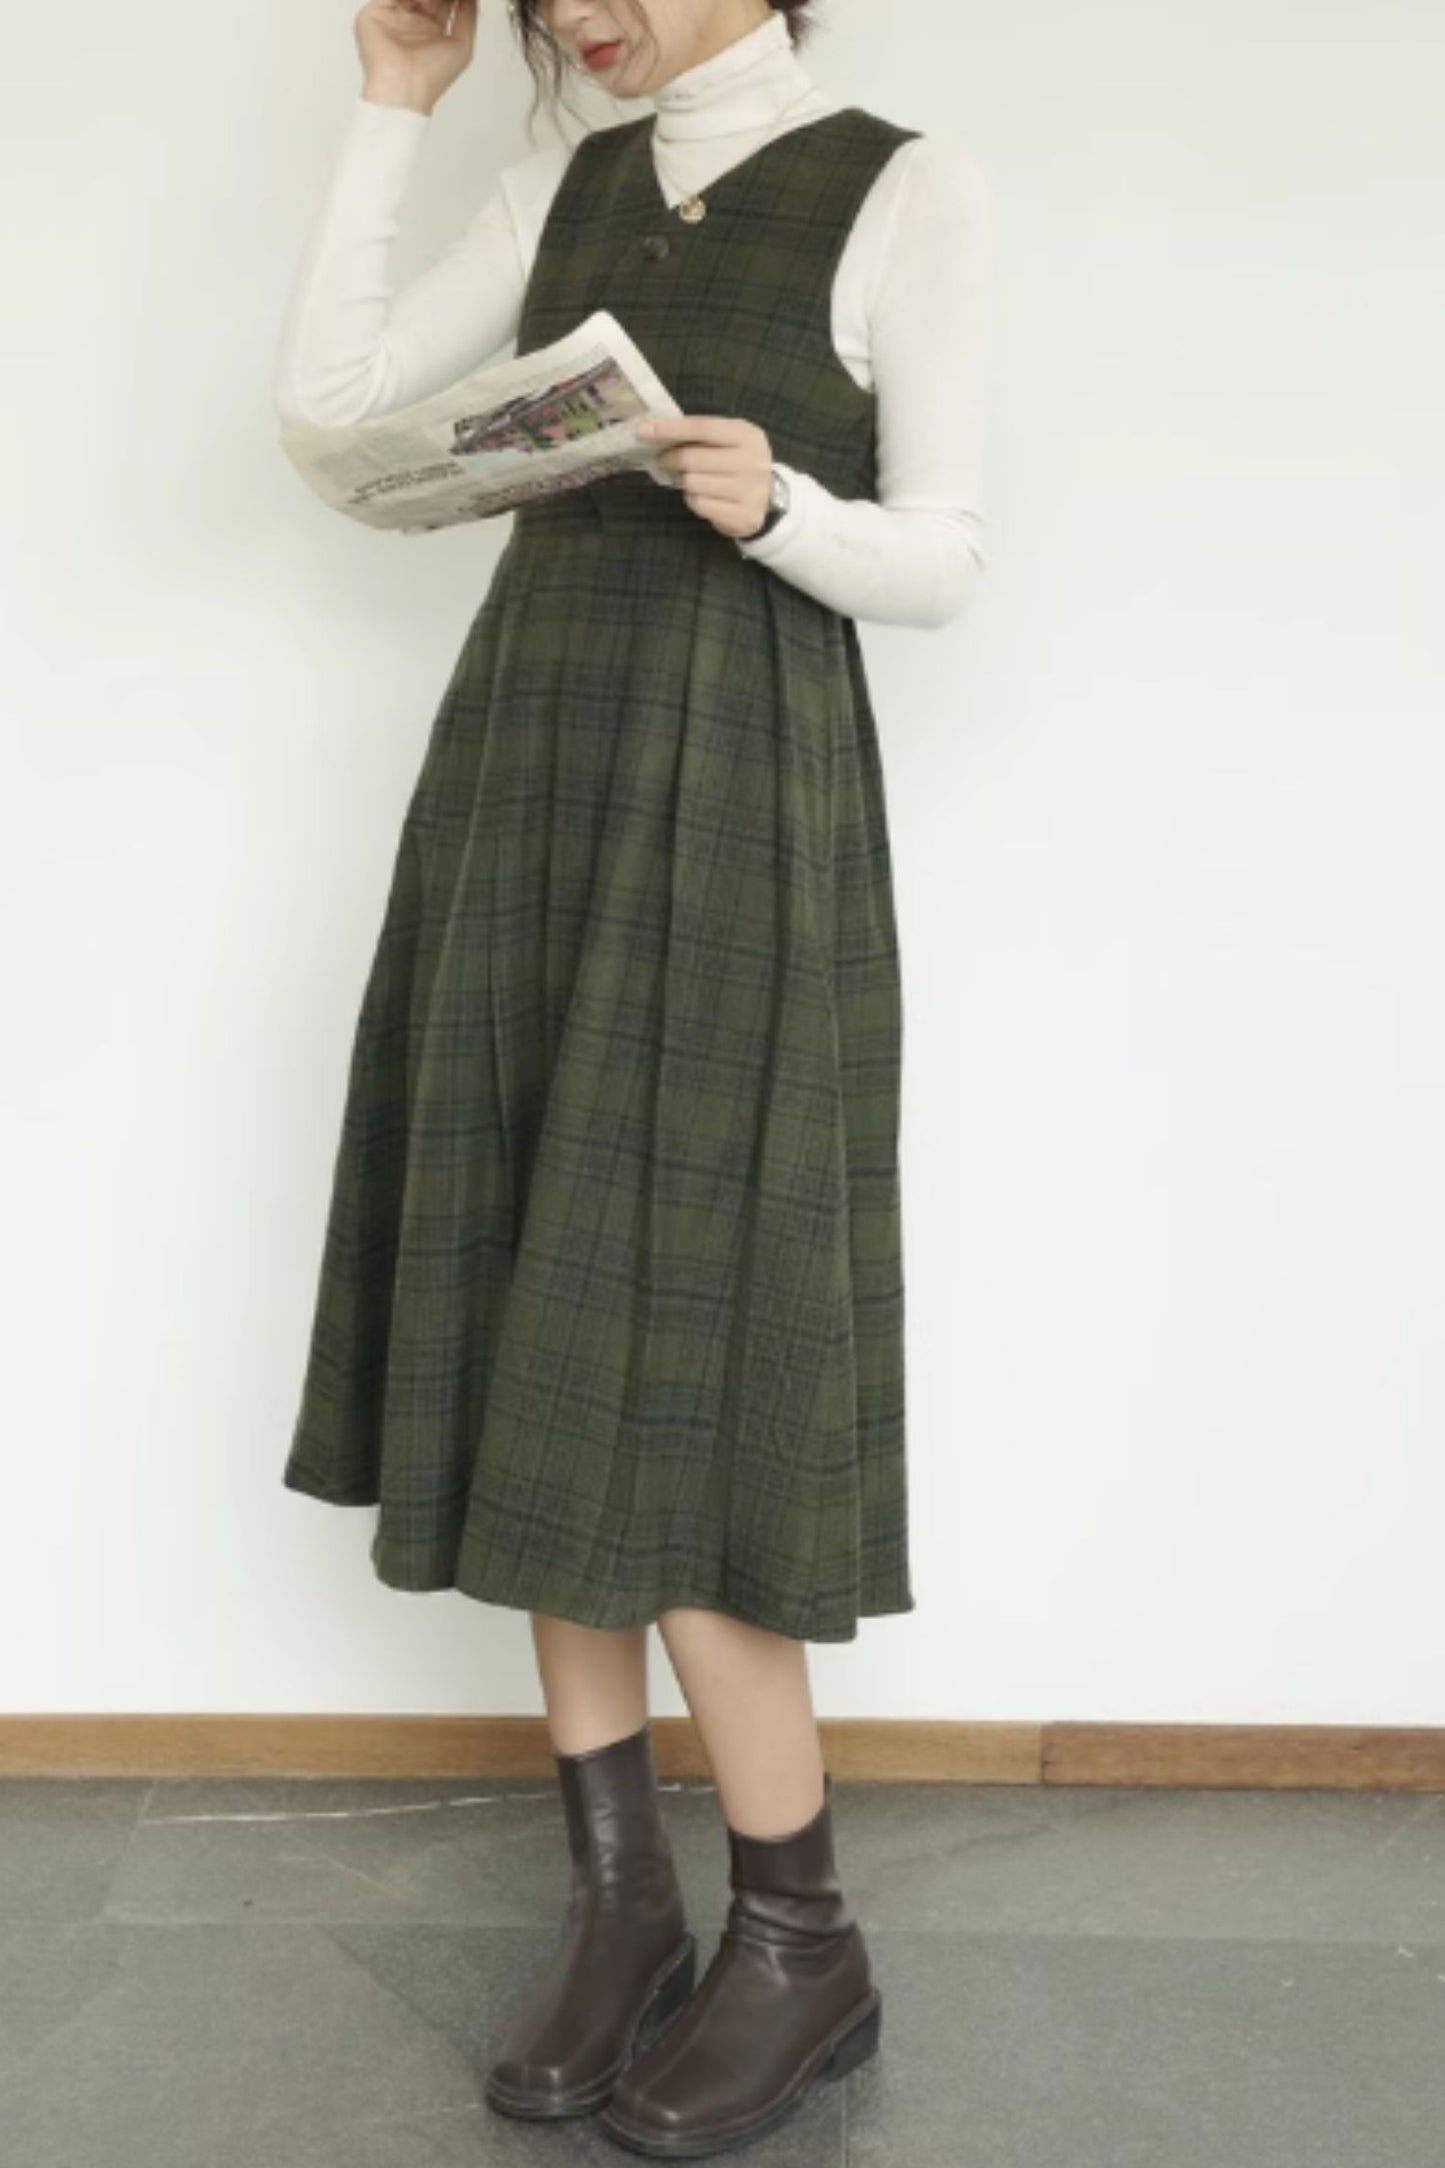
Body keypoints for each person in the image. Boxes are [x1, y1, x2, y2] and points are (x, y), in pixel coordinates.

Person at [272, 0, 991, 2154]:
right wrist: (391, 110)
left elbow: (947, 554)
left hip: (740, 795)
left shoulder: (897, 181)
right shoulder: (559, 181)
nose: (583, 7)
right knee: (532, 1312)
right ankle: (622, 1906)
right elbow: (329, 420)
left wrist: (782, 508)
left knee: (686, 1339)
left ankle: (800, 1936)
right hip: (530, 770)